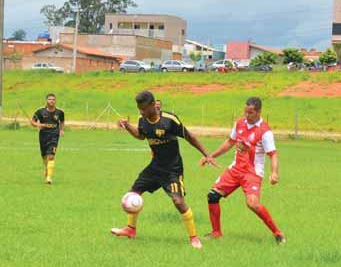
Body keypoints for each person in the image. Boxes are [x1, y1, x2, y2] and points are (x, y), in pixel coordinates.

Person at [112, 91, 219, 249]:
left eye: (143, 108)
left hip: (172, 169)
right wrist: (127, 125)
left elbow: (190, 137)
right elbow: (141, 135)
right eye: (139, 109)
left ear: (152, 105)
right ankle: (130, 229)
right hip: (154, 167)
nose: (141, 112)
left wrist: (207, 154)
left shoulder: (170, 120)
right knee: (133, 193)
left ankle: (194, 238)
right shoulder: (142, 120)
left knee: (178, 201)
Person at [201, 97, 285, 244]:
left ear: (259, 112)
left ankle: (277, 233)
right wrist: (210, 156)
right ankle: (216, 233)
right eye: (245, 112)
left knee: (252, 204)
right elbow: (229, 142)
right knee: (212, 196)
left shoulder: (265, 131)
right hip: (235, 169)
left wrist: (274, 172)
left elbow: (273, 154)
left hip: (252, 173)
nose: (247, 115)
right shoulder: (239, 124)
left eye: (250, 113)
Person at [31, 93, 65, 184]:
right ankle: (47, 169)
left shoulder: (60, 112)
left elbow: (62, 121)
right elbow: (32, 122)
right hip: (43, 135)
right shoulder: (40, 111)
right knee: (44, 156)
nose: (52, 101)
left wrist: (61, 130)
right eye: (50, 99)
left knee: (51, 156)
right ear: (46, 100)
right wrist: (39, 125)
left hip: (54, 135)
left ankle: (49, 178)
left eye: (53, 99)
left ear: (55, 101)